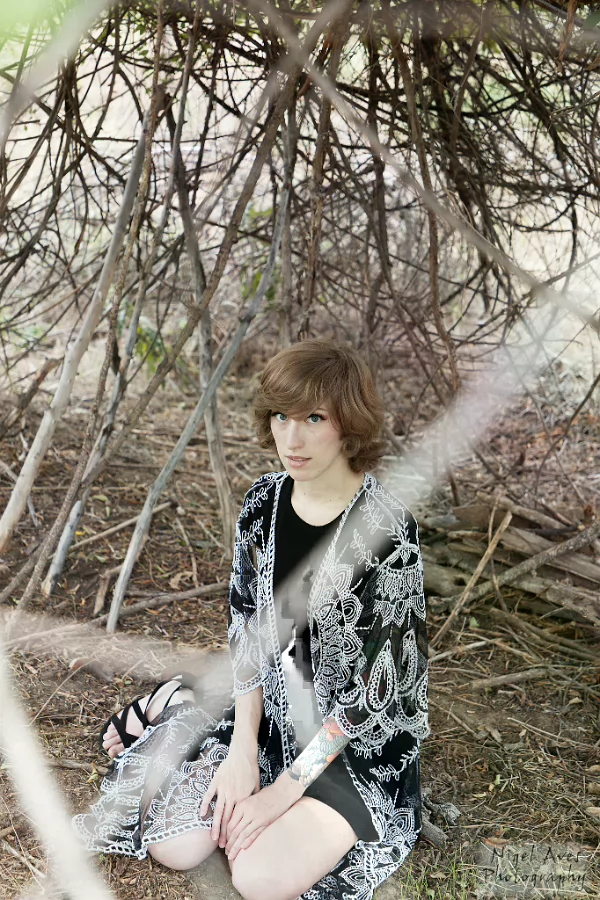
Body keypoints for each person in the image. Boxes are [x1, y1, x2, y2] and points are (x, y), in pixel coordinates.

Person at [73, 338, 430, 900]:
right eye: (282, 417)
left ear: (350, 425)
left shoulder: (386, 530)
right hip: (270, 714)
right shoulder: (263, 503)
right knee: (176, 846)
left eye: (314, 418)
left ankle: (190, 701)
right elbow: (247, 630)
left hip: (351, 746)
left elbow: (374, 696)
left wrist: (279, 794)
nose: (292, 438)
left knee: (258, 877)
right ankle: (182, 701)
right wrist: (242, 752)